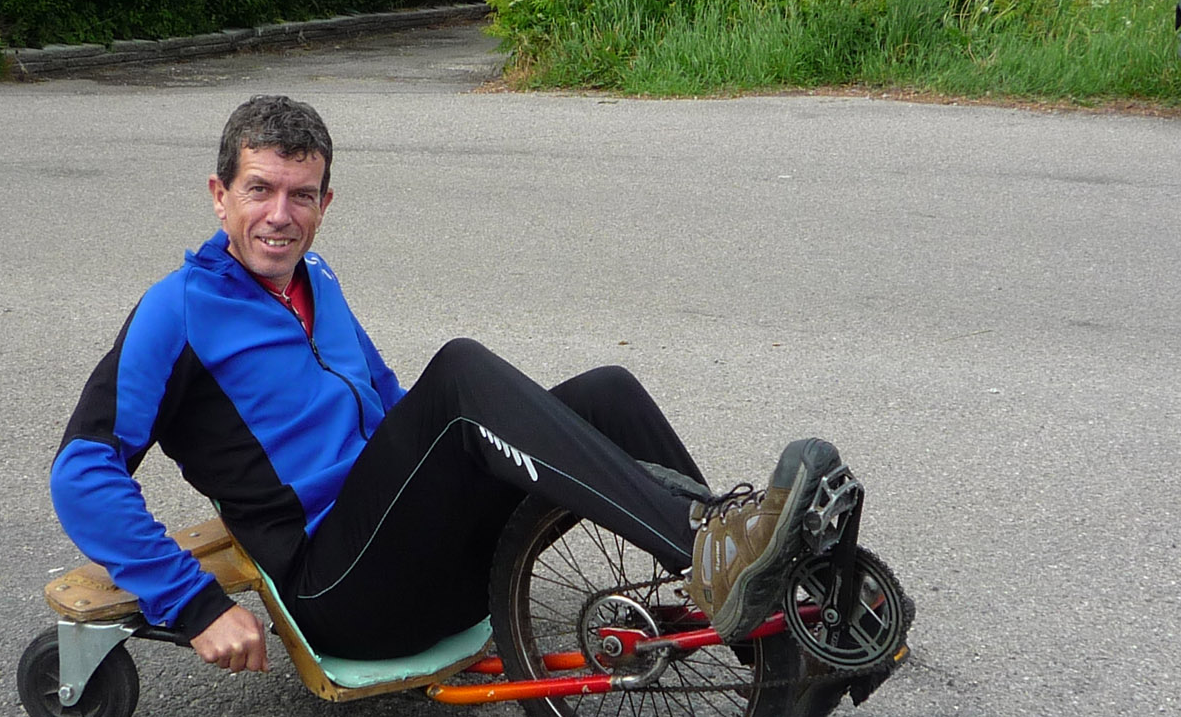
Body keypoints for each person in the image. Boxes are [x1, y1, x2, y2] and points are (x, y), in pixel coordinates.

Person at [50, 94, 851, 675]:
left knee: (606, 390)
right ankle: (708, 553)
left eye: (301, 194)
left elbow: (391, 404)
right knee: (462, 373)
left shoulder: (314, 278)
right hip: (340, 594)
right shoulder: (179, 312)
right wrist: (194, 604)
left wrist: (465, 462)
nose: (279, 214)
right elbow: (81, 473)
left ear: (326, 203)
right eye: (259, 188)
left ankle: (767, 626)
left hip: (417, 555)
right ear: (219, 193)